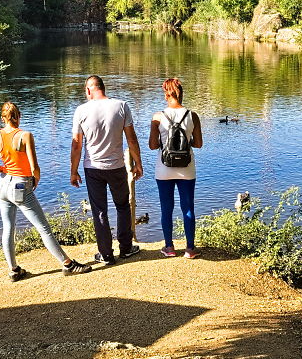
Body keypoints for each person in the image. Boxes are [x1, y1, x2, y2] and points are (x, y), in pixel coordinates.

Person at [0, 101, 91, 280]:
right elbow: (34, 167)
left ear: (2, 118)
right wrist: (35, 180)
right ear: (18, 116)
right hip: (20, 186)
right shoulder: (25, 135)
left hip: (2, 186)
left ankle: (13, 270)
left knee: (8, 229)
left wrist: (4, 169)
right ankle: (68, 264)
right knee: (44, 229)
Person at [70, 75, 143, 264]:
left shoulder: (81, 111)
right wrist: (138, 163)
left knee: (99, 211)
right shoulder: (121, 105)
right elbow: (132, 139)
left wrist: (73, 171)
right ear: (103, 87)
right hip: (117, 166)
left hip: (92, 168)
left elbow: (76, 145)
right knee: (122, 206)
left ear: (88, 90)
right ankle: (126, 248)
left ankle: (106, 254)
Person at [148, 78, 203, 259]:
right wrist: (186, 141)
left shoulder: (158, 117)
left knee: (166, 208)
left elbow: (152, 145)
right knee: (188, 208)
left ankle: (169, 247)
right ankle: (189, 249)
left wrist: (165, 141)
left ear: (166, 95)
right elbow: (199, 144)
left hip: (164, 169)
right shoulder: (192, 115)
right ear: (181, 93)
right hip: (187, 168)